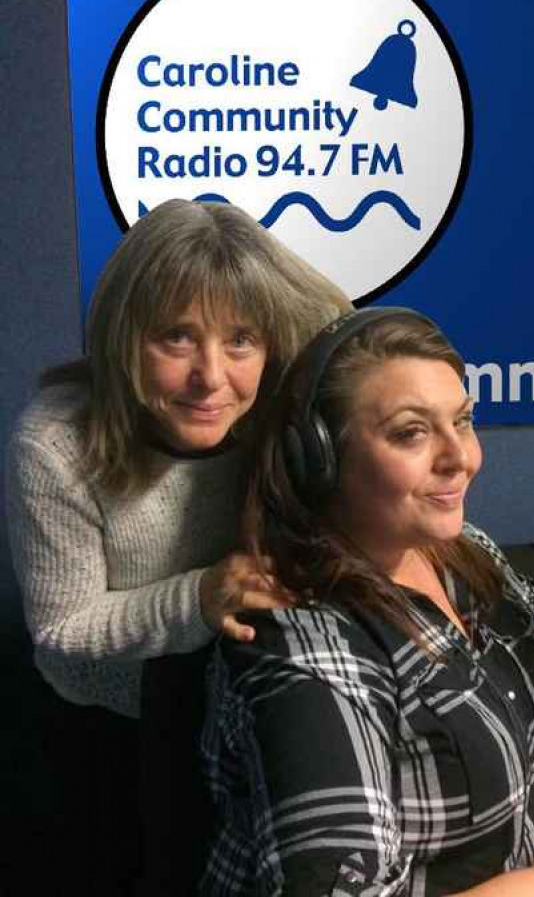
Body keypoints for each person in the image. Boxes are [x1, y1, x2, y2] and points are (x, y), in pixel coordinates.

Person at [201, 307, 534, 897]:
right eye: (412, 432)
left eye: (463, 421)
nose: (462, 458)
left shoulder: (450, 548)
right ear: (321, 460)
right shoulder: (305, 652)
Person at [5, 198, 351, 894]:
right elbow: (60, 626)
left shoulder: (279, 415)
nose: (211, 378)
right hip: (107, 727)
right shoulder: (54, 443)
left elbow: (339, 323)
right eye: (176, 338)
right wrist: (200, 594)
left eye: (241, 340)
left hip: (240, 708)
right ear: (125, 337)